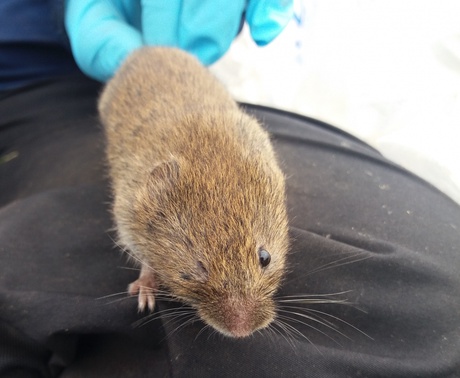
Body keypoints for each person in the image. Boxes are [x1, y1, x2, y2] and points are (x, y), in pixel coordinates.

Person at [1, 1, 459, 377]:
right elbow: (131, 214)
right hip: (31, 92)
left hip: (203, 98)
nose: (241, 317)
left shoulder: (255, 159)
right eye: (197, 269)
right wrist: (148, 268)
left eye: (263, 259)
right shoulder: (147, 196)